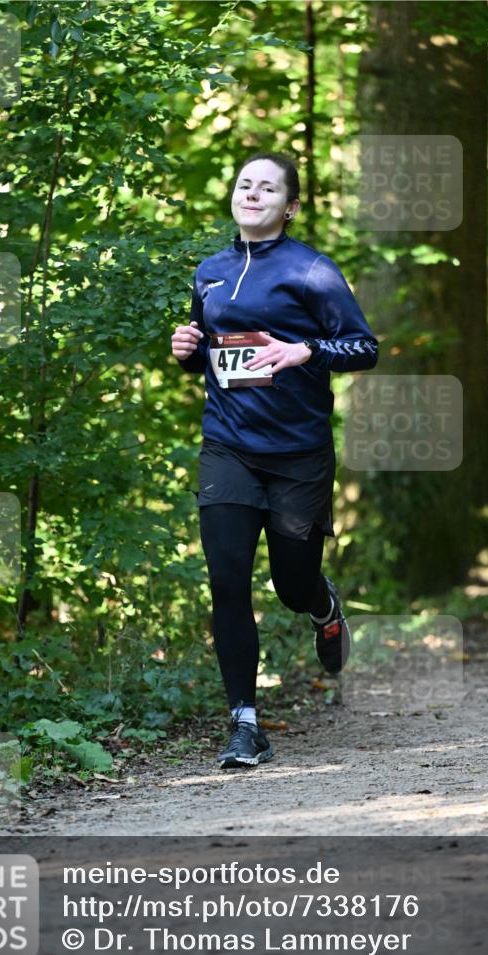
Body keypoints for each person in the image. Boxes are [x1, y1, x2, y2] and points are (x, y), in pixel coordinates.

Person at [171, 152, 378, 769]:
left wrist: (304, 351)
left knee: (290, 583)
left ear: (289, 206)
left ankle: (322, 606)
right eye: (244, 185)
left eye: (268, 188)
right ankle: (244, 723)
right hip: (228, 446)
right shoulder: (209, 271)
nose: (252, 193)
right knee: (227, 581)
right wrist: (187, 350)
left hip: (298, 454)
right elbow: (207, 352)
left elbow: (363, 348)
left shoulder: (312, 271)